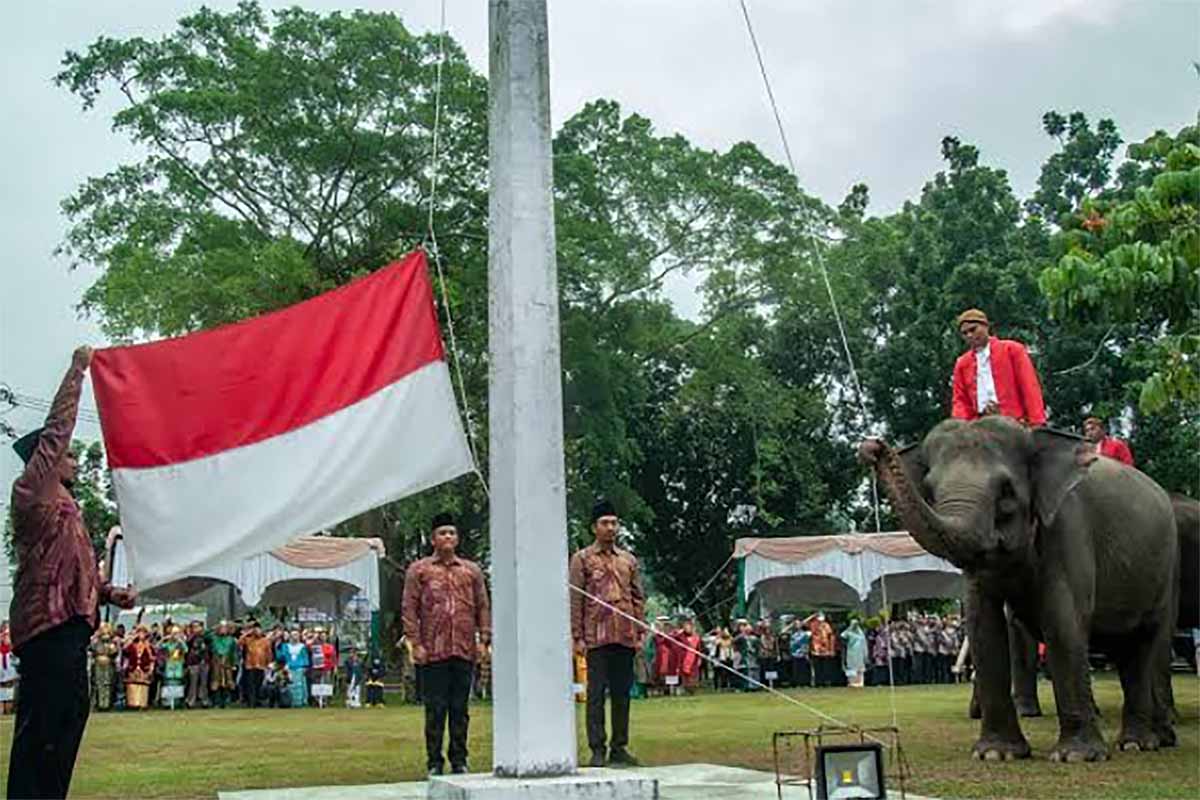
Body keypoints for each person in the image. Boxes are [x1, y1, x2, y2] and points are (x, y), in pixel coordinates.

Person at [5, 348, 139, 799]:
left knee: (67, 715)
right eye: (65, 454)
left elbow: (73, 568)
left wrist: (111, 593)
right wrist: (77, 369)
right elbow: (58, 429)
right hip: (48, 627)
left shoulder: (65, 504)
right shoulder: (32, 489)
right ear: (46, 456)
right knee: (44, 723)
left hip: (70, 626)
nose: (75, 459)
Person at [403, 512, 491, 777]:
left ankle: (460, 759)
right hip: (433, 649)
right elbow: (409, 607)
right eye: (443, 533)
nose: (448, 537)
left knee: (460, 708)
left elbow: (483, 605)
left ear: (458, 537)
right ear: (433, 538)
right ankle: (434, 761)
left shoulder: (471, 571)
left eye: (452, 533)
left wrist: (483, 639)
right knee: (435, 708)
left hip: (463, 648)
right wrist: (415, 643)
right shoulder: (419, 570)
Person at [569, 500, 646, 768]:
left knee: (622, 694)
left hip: (624, 635)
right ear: (594, 527)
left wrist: (639, 629)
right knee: (596, 694)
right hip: (596, 636)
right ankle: (597, 748)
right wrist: (577, 636)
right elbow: (576, 599)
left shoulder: (628, 560)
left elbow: (637, 597)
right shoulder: (582, 559)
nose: (610, 528)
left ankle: (619, 747)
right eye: (605, 523)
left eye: (614, 523)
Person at [951, 309, 1046, 427]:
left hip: (1015, 423)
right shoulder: (962, 363)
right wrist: (961, 427)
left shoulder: (1012, 350)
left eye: (973, 329)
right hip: (979, 426)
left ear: (986, 327)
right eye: (964, 333)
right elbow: (960, 400)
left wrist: (1036, 422)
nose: (969, 335)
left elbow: (1029, 386)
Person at [239, 621, 273, 708]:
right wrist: (247, 633)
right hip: (250, 665)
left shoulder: (265, 641)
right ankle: (251, 703)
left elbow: (269, 653)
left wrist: (269, 663)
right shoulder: (248, 640)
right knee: (251, 685)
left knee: (259, 684)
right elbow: (239, 642)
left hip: (261, 665)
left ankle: (257, 701)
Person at [123, 625, 155, 710]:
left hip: (144, 668)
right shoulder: (132, 645)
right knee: (133, 685)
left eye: (143, 632)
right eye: (139, 632)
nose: (141, 634)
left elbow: (152, 658)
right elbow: (125, 650)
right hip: (133, 668)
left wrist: (151, 669)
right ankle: (133, 703)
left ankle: (142, 703)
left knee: (143, 686)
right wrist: (131, 639)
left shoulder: (148, 646)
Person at [89, 623, 119, 711]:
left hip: (108, 663)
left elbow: (114, 652)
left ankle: (106, 704)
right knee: (98, 683)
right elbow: (91, 648)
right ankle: (99, 703)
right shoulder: (96, 641)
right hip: (98, 663)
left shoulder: (112, 642)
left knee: (107, 683)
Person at [278, 629, 310, 708]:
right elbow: (281, 656)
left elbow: (305, 657)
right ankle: (290, 701)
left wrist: (305, 666)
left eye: (296, 635)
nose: (294, 637)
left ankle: (300, 702)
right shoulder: (285, 646)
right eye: (293, 635)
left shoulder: (302, 646)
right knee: (290, 685)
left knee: (300, 685)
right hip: (289, 667)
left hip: (299, 667)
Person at [209, 620, 238, 708]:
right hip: (216, 661)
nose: (223, 630)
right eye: (221, 628)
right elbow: (206, 634)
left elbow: (233, 652)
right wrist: (214, 627)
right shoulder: (213, 637)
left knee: (228, 681)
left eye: (225, 628)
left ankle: (226, 702)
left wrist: (234, 663)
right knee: (216, 681)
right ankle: (216, 702)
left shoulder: (231, 639)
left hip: (227, 661)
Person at [159, 625, 188, 708]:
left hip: (178, 664)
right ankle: (167, 702)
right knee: (169, 682)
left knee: (177, 682)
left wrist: (180, 640)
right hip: (170, 664)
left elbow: (186, 650)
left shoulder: (180, 644)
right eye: (173, 634)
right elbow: (158, 647)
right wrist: (164, 638)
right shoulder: (168, 644)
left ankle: (177, 702)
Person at [185, 621, 211, 709]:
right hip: (193, 662)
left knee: (204, 682)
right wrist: (195, 634)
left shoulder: (206, 636)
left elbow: (209, 640)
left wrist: (203, 634)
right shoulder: (190, 637)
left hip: (204, 661)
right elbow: (188, 643)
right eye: (194, 627)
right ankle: (191, 701)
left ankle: (204, 700)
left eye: (198, 626)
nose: (197, 629)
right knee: (193, 682)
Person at [808, 612, 836, 688]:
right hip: (816, 649)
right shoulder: (813, 624)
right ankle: (818, 682)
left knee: (826, 668)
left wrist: (832, 649)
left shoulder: (826, 625)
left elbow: (831, 636)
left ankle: (826, 682)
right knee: (817, 667)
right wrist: (812, 616)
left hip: (826, 650)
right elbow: (803, 624)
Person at [841, 619, 867, 688]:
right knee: (851, 667)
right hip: (851, 652)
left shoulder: (861, 633)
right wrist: (849, 628)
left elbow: (864, 644)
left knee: (860, 667)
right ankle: (852, 682)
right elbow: (842, 635)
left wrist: (865, 654)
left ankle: (860, 682)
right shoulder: (849, 632)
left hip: (860, 653)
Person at [789, 620, 812, 688]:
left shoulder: (806, 634)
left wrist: (806, 653)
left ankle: (805, 683)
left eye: (799, 624)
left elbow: (806, 644)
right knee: (796, 669)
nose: (798, 625)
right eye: (796, 624)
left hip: (803, 653)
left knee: (804, 669)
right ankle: (797, 683)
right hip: (795, 653)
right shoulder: (793, 634)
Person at [0, 623, 17, 716]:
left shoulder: (12, 653)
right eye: (3, 636)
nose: (5, 638)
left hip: (10, 684)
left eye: (7, 636)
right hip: (1, 684)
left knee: (9, 708)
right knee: (1, 708)